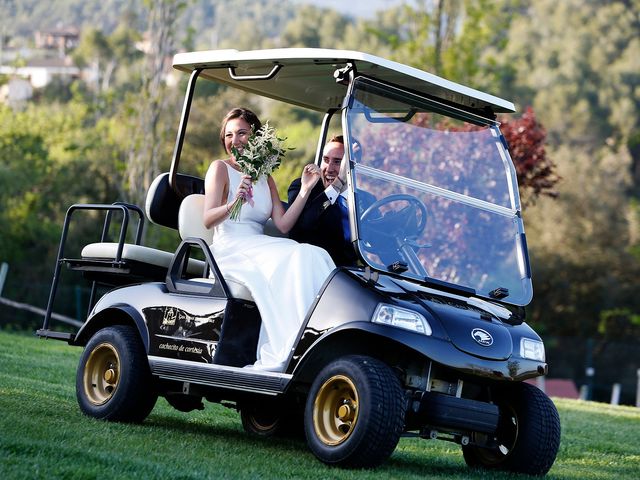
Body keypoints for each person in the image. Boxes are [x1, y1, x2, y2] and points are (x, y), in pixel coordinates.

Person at [203, 107, 335, 371]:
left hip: (257, 245)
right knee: (294, 256)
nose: (235, 140)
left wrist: (306, 190)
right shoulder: (220, 169)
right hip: (230, 248)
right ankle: (284, 349)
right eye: (229, 135)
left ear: (255, 136)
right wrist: (235, 202)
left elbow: (284, 225)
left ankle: (310, 340)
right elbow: (208, 219)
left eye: (242, 133)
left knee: (311, 253)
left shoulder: (265, 177)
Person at [288, 135, 358, 266]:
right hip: (309, 266)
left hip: (348, 274)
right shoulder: (302, 186)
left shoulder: (364, 199)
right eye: (326, 160)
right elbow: (304, 226)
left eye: (337, 162)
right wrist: (338, 183)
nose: (329, 169)